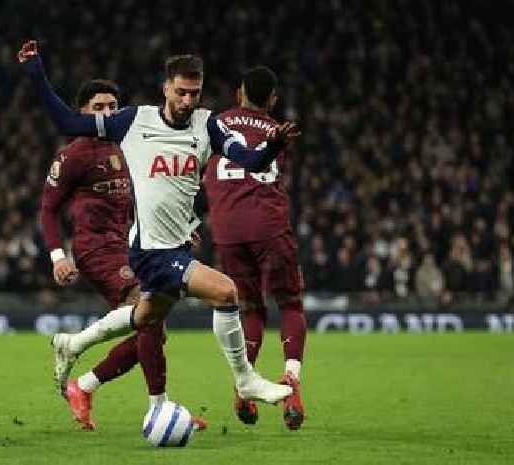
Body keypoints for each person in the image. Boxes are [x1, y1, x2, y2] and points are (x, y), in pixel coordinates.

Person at [18, 40, 302, 424]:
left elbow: (249, 160)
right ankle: (244, 379)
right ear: (166, 87)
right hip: (150, 251)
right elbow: (67, 122)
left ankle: (74, 345)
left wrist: (272, 146)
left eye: (194, 93)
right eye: (181, 92)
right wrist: (35, 71)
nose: (187, 101)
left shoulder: (208, 125)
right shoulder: (133, 121)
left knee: (147, 316)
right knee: (225, 291)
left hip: (178, 245)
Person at [39, 78, 170, 431]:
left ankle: (84, 386)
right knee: (146, 311)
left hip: (130, 246)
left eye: (112, 106)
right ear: (83, 113)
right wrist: (57, 257)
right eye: (98, 108)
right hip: (95, 247)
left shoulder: (130, 145)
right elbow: (48, 210)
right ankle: (159, 409)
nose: (107, 113)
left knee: (152, 326)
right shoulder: (74, 155)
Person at [202, 66, 306, 430]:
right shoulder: (279, 131)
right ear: (272, 99)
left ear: (238, 93)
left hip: (227, 229)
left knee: (250, 309)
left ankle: (243, 387)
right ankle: (290, 385)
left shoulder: (213, 125)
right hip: (268, 227)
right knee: (290, 303)